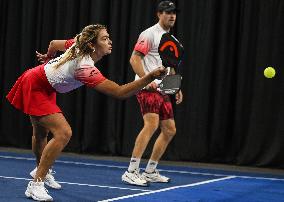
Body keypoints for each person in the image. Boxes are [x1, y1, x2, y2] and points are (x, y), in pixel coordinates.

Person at [6, 24, 166, 201]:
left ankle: (41, 169)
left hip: (45, 84)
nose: (110, 41)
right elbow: (119, 92)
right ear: (92, 45)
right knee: (63, 133)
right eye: (104, 39)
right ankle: (36, 184)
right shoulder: (85, 67)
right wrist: (149, 77)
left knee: (41, 132)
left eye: (108, 37)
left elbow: (52, 43)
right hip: (35, 85)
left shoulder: (78, 44)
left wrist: (48, 58)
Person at [122, 1, 183, 186]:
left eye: (174, 13)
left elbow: (169, 66)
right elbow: (135, 59)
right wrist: (145, 80)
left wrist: (177, 87)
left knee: (170, 129)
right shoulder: (149, 34)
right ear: (159, 14)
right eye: (167, 12)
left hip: (162, 88)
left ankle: (149, 171)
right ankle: (131, 171)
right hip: (147, 87)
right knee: (151, 124)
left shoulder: (171, 39)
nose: (171, 16)